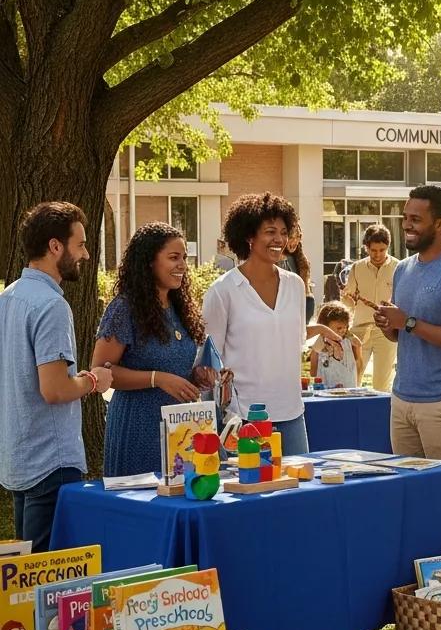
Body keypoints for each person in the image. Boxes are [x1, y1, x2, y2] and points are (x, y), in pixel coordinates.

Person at [0, 202, 112, 551]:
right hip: (51, 462)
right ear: (55, 246)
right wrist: (94, 381)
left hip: (18, 458)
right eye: (80, 244)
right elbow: (54, 389)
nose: (86, 254)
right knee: (49, 584)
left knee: (26, 582)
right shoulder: (51, 305)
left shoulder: (9, 297)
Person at [203, 193, 343, 456]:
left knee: (297, 494)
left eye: (283, 231)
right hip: (243, 418)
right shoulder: (223, 291)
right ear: (249, 236)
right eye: (270, 231)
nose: (279, 239)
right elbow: (210, 361)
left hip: (291, 414)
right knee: (249, 493)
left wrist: (323, 333)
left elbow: (293, 337)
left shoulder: (295, 284)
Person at [373, 186, 441, 463]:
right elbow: (400, 336)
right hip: (401, 398)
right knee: (408, 489)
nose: (407, 225)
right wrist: (389, 323)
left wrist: (407, 322)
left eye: (416, 219)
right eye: (405, 217)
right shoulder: (403, 269)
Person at [92, 223, 207, 477]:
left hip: (182, 429)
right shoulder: (125, 308)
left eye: (184, 258)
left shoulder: (181, 308)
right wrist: (157, 379)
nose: (182, 265)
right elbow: (100, 371)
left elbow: (176, 366)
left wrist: (197, 376)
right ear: (149, 262)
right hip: (139, 429)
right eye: (174, 258)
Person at [342, 224, 399, 391]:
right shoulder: (357, 268)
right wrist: (347, 298)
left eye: (382, 250)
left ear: (387, 247)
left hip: (387, 332)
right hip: (359, 330)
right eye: (374, 250)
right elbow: (348, 302)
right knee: (352, 379)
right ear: (366, 248)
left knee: (382, 383)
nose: (378, 254)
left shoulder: (399, 267)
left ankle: (381, 416)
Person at [310, 302, 363, 388]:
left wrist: (349, 335)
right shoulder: (321, 341)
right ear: (325, 327)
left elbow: (358, 352)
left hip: (348, 387)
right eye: (339, 328)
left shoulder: (348, 341)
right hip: (326, 388)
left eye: (345, 327)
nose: (342, 331)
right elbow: (313, 367)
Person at [280, 224, 314, 324]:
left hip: (303, 308)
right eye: (291, 237)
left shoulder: (300, 260)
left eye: (298, 237)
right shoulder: (278, 260)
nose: (295, 241)